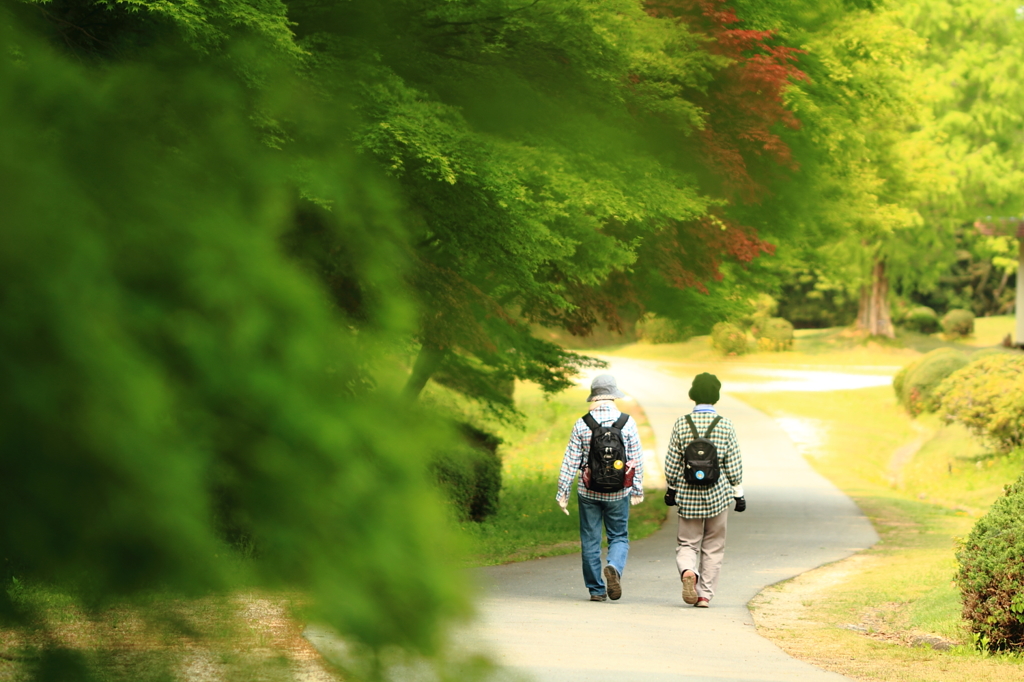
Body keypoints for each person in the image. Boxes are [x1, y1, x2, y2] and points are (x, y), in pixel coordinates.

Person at [556, 373, 645, 602]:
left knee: (590, 539)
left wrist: (562, 492)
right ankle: (614, 567)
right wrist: (636, 490)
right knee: (619, 537)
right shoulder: (627, 422)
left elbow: (570, 460)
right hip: (618, 492)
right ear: (613, 395)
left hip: (588, 492)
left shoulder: (582, 424)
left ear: (594, 396)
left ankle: (596, 590)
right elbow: (636, 460)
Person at [663, 372, 745, 608]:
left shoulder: (681, 423)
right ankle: (704, 595)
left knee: (688, 542)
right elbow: (734, 463)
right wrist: (738, 494)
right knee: (713, 545)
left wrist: (671, 489)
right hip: (718, 495)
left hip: (688, 495)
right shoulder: (726, 425)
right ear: (716, 396)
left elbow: (671, 463)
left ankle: (688, 571)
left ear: (693, 394)